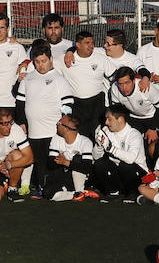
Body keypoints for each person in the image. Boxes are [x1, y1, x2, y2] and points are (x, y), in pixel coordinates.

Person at [17, 41, 73, 196]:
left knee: (53, 162)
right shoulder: (28, 79)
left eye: (44, 61)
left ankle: (60, 186)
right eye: (37, 62)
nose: (41, 65)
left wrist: (63, 126)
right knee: (38, 162)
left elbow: (67, 106)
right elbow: (20, 103)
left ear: (51, 59)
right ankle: (40, 186)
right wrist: (21, 122)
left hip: (52, 132)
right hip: (34, 132)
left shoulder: (59, 80)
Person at [63, 30, 110, 135]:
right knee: (80, 136)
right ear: (78, 45)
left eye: (92, 42)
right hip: (78, 106)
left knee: (99, 136)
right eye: (87, 43)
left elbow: (115, 74)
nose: (91, 46)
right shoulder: (66, 59)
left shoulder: (100, 55)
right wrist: (25, 65)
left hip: (97, 104)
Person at [108, 66, 159, 149]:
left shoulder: (145, 87)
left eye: (127, 83)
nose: (124, 88)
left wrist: (153, 128)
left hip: (153, 116)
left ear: (133, 80)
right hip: (134, 117)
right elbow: (118, 110)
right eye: (120, 84)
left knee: (153, 146)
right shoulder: (115, 88)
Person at [44, 115, 95, 201]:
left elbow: (87, 167)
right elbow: (50, 163)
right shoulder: (56, 138)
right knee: (47, 193)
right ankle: (77, 194)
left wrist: (66, 162)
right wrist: (60, 161)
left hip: (83, 177)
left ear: (67, 129)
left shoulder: (85, 142)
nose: (56, 124)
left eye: (59, 123)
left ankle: (79, 190)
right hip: (65, 174)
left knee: (77, 158)